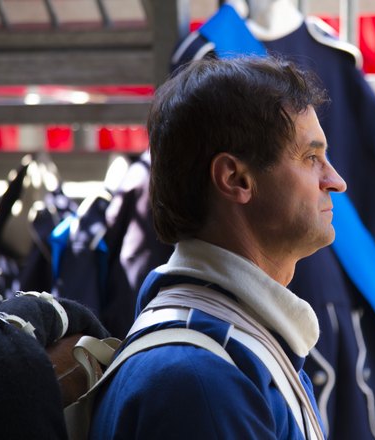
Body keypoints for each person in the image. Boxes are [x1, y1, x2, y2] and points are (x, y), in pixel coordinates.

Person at [89, 55, 347, 439]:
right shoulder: (200, 378)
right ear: (235, 178)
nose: (336, 181)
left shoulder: (223, 350)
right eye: (311, 157)